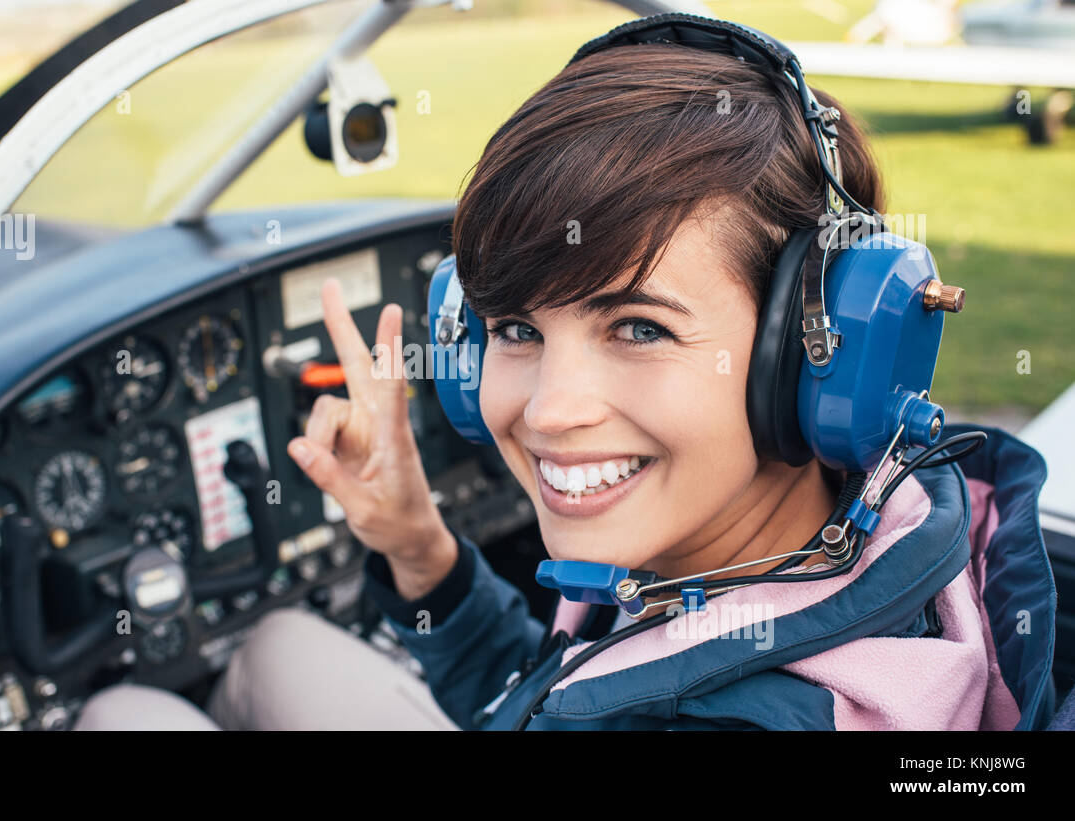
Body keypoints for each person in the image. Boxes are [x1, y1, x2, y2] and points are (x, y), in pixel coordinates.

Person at [74, 15, 1059, 731]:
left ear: (831, 353)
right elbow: (551, 691)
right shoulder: (890, 514)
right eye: (512, 326)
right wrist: (420, 546)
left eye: (635, 326)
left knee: (122, 711)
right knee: (276, 644)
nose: (547, 409)